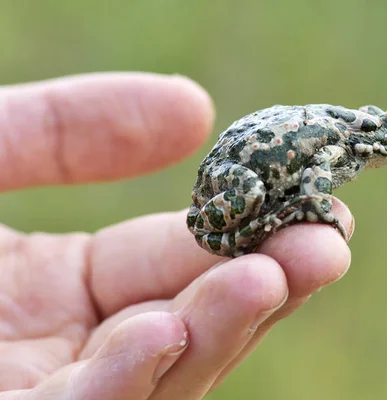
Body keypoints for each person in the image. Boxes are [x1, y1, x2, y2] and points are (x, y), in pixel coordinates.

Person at [0, 73, 353, 399]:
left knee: (262, 275)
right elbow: (318, 170)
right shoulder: (339, 141)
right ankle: (262, 221)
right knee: (252, 197)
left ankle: (265, 219)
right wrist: (316, 209)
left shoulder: (337, 131)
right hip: (238, 176)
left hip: (240, 165)